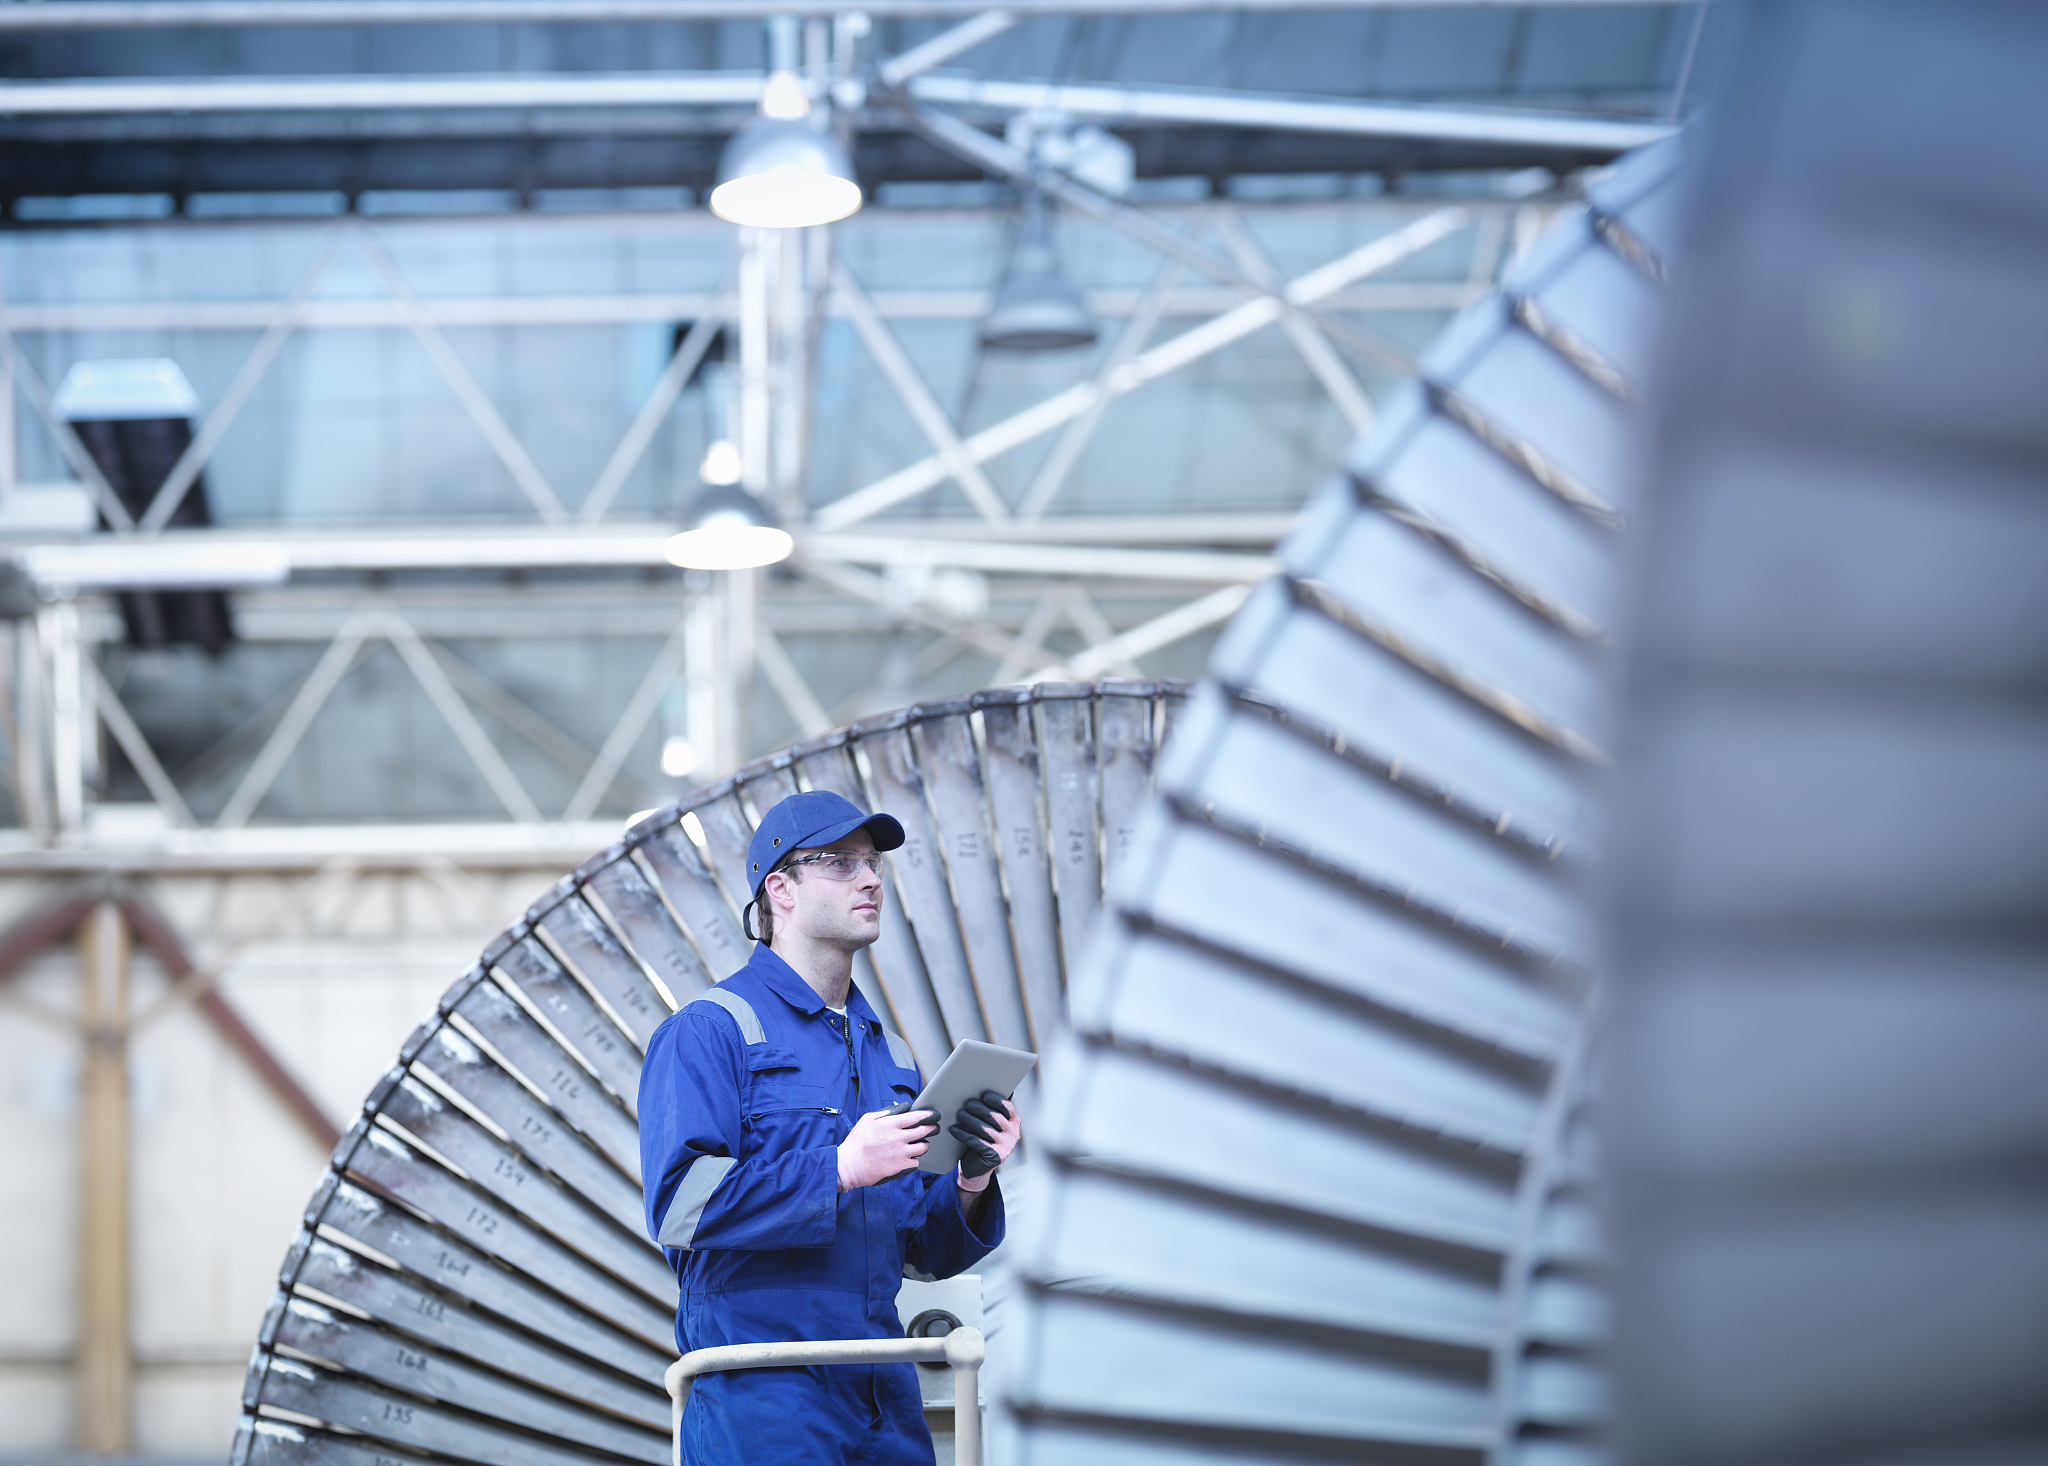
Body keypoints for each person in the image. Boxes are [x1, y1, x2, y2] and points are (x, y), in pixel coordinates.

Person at [639, 789, 1023, 1466]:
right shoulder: (710, 1031)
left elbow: (917, 1250)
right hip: (765, 1397)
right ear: (780, 889)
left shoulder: (891, 1055)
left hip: (883, 1391)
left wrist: (973, 1175)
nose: (871, 878)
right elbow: (680, 1205)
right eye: (842, 864)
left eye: (872, 862)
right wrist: (839, 1168)